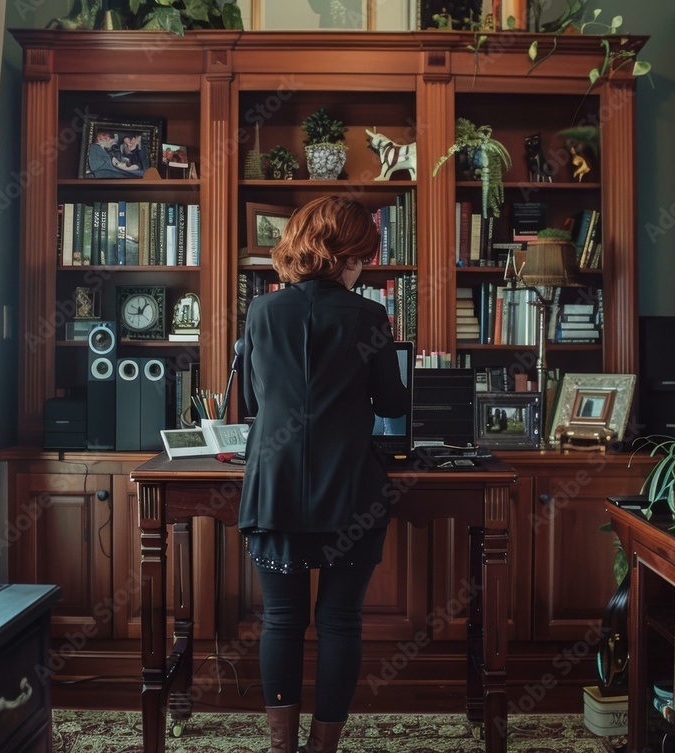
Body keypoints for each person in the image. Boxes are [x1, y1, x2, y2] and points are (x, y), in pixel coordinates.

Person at [238, 195, 409, 753]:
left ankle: (281, 748)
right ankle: (322, 748)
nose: (364, 264)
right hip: (350, 488)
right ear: (344, 255)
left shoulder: (261, 313)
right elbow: (391, 402)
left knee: (282, 619)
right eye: (361, 254)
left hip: (274, 483)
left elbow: (252, 399)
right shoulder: (369, 315)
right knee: (340, 621)